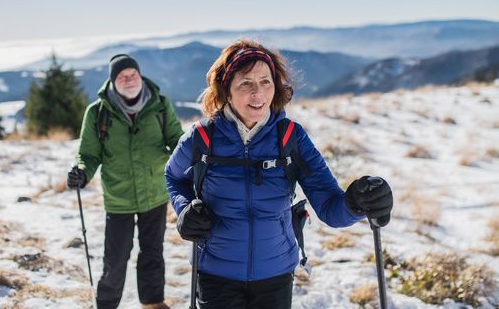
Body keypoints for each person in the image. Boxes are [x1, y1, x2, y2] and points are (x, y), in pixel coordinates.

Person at [164, 40, 393, 309]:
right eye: (245, 83)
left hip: (275, 274)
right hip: (216, 272)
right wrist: (185, 210)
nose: (258, 93)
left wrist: (357, 202)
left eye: (265, 81)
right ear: (226, 90)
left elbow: (331, 209)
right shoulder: (201, 137)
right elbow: (174, 177)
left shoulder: (290, 138)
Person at [67, 54, 184, 309]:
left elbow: (177, 140)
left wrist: (194, 160)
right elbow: (88, 154)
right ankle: (107, 304)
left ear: (140, 76)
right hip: (118, 196)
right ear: (113, 81)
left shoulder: (160, 105)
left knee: (152, 253)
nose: (129, 79)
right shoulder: (97, 113)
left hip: (155, 192)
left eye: (133, 74)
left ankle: (153, 303)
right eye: (123, 76)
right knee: (116, 258)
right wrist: (82, 172)